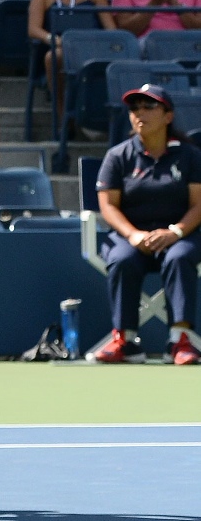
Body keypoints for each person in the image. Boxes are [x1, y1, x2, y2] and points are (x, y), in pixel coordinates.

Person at [92, 83, 201, 364]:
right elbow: (108, 205)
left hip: (180, 235)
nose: (140, 112)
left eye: (149, 106)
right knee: (121, 259)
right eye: (135, 107)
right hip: (131, 237)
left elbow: (199, 203)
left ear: (168, 116)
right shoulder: (117, 156)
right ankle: (125, 341)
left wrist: (175, 232)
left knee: (180, 256)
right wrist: (133, 235)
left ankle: (180, 340)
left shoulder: (190, 156)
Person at [28, 0, 115, 130]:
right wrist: (54, 40)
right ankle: (63, 120)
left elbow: (110, 27)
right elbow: (33, 29)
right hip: (60, 48)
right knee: (53, 57)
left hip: (92, 48)